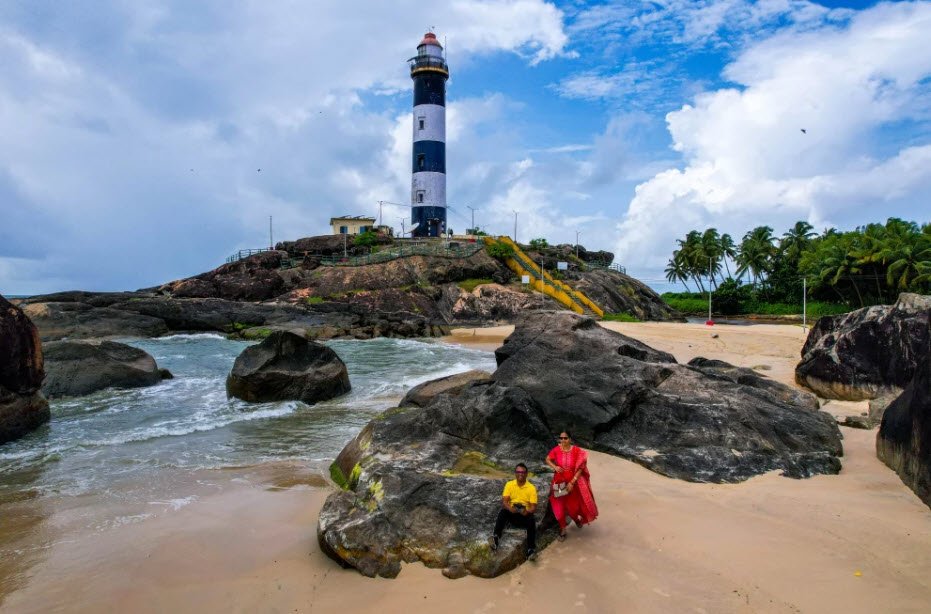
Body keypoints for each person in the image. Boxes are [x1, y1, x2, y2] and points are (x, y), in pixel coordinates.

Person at [545, 430, 598, 541]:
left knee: (572, 508)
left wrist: (572, 482)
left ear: (570, 439)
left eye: (565, 438)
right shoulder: (556, 450)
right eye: (561, 438)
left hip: (573, 484)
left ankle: (576, 519)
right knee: (559, 507)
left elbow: (581, 467)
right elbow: (548, 459)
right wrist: (555, 467)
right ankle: (563, 529)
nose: (563, 440)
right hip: (559, 483)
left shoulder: (577, 451)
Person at [489, 463, 538, 560]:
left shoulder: (531, 488)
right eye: (518, 472)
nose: (521, 474)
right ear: (515, 473)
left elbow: (533, 507)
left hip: (524, 515)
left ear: (526, 474)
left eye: (523, 472)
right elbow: (504, 501)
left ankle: (531, 549)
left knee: (532, 519)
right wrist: (510, 508)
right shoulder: (509, 484)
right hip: (512, 513)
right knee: (503, 512)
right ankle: (495, 538)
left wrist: (526, 511)